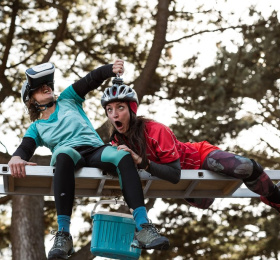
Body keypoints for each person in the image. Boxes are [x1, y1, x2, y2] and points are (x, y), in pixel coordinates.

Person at [8, 61, 169, 260]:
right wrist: (16, 158)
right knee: (64, 153)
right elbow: (25, 148)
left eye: (47, 84)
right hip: (69, 155)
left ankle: (144, 227)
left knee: (122, 154)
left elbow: (90, 80)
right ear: (32, 100)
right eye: (39, 88)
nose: (46, 87)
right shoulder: (37, 127)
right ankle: (64, 235)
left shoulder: (68, 99)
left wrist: (110, 69)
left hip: (95, 149)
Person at [101, 77, 280, 214]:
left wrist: (140, 160)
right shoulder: (116, 142)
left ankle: (275, 198)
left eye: (120, 108)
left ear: (132, 109)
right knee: (205, 203)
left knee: (246, 167)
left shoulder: (155, 130)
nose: (115, 114)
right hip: (181, 183)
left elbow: (174, 173)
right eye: (110, 110)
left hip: (199, 157)